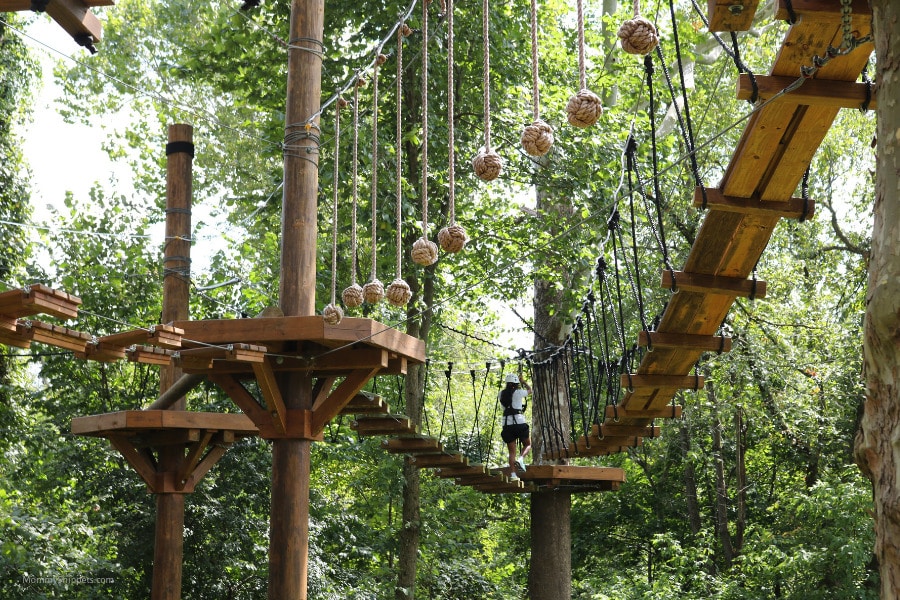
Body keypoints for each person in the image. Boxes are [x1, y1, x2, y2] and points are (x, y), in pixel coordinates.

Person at [499, 372, 531, 481]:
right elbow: (530, 391)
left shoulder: (501, 394)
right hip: (519, 423)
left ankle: (513, 475)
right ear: (516, 384)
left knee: (511, 452)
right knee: (527, 444)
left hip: (507, 425)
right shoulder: (518, 392)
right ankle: (521, 458)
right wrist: (523, 382)